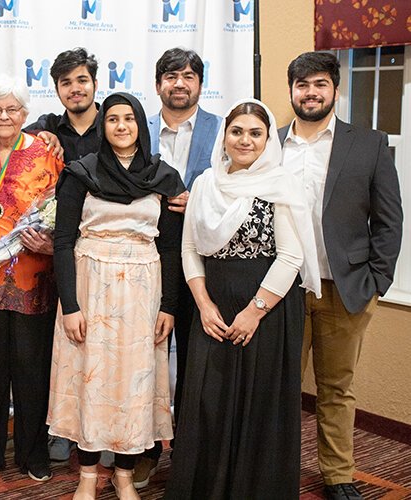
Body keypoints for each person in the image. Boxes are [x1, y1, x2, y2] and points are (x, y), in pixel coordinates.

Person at [165, 99, 321, 499]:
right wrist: (202, 304)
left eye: (256, 133)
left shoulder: (281, 184)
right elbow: (190, 249)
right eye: (237, 131)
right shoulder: (204, 182)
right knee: (207, 403)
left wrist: (254, 312)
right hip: (212, 308)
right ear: (225, 136)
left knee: (257, 407)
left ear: (268, 139)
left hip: (266, 309)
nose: (245, 140)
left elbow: (291, 256)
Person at [279, 52, 403, 500]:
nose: (310, 92)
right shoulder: (271, 144)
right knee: (280, 389)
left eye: (319, 84)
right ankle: (276, 470)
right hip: (282, 289)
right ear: (290, 89)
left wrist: (377, 283)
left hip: (345, 288)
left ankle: (338, 474)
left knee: (336, 389)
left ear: (335, 89)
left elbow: (389, 221)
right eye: (301, 84)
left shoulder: (368, 143)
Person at [49, 92, 184, 500]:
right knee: (91, 378)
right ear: (103, 127)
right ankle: (88, 474)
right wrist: (70, 306)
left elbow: (171, 248)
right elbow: (62, 241)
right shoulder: (80, 173)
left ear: (140, 125)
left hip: (144, 294)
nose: (121, 126)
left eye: (129, 118)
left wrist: (169, 305)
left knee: (134, 384)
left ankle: (123, 474)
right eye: (112, 119)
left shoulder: (165, 178)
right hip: (90, 287)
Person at [0, 74, 63, 482]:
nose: (4, 116)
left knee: (32, 370)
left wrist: (50, 244)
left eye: (12, 109)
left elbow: (65, 208)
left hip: (32, 278)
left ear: (25, 114)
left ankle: (33, 454)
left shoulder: (47, 151)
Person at [136, 47, 222, 488]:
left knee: (194, 363)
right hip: (147, 262)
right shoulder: (137, 129)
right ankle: (145, 450)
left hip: (202, 267)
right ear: (157, 85)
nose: (180, 83)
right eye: (171, 75)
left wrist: (200, 200)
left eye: (189, 75)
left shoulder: (222, 129)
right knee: (147, 358)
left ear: (200, 85)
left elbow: (237, 189)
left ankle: (187, 455)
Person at [24, 46, 101, 464]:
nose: (75, 89)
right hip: (56, 254)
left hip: (104, 256)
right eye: (66, 83)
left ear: (94, 83)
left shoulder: (117, 122)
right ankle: (60, 427)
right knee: (58, 346)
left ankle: (99, 429)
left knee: (100, 345)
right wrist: (40, 134)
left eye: (82, 80)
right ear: (56, 89)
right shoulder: (46, 128)